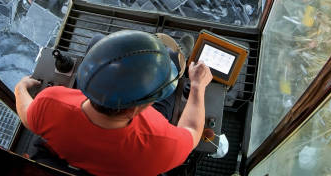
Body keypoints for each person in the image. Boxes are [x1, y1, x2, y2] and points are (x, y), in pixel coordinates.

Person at [14, 30, 212, 176]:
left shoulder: (50, 101)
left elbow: (28, 116)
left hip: (74, 159)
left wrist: (20, 89)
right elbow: (193, 131)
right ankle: (175, 59)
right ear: (139, 108)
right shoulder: (161, 145)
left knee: (97, 40)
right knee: (171, 74)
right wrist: (197, 86)